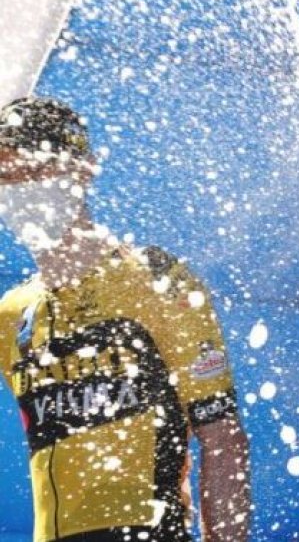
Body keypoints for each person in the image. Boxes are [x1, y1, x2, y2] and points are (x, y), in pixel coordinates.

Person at [0, 97, 251, 541]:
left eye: (37, 171)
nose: (21, 188)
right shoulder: (12, 312)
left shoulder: (159, 280)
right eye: (7, 177)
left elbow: (221, 438)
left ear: (83, 170)